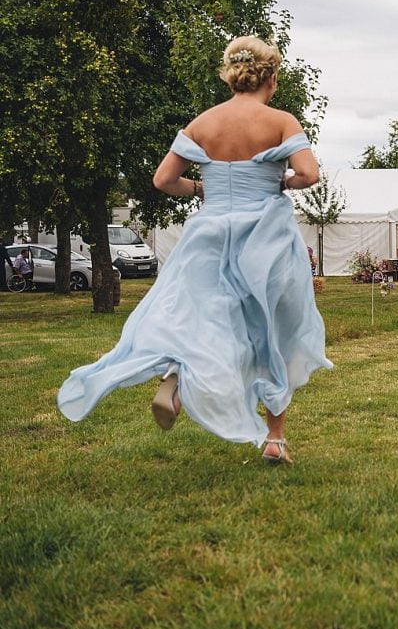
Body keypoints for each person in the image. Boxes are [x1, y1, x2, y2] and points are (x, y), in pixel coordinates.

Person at [57, 36, 332, 464]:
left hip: (210, 234)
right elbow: (309, 174)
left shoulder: (204, 122)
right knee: (274, 331)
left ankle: (177, 379)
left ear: (230, 75)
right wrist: (282, 181)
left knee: (206, 317)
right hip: (265, 239)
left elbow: (163, 180)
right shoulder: (280, 120)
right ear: (272, 79)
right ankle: (275, 438)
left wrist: (202, 187)